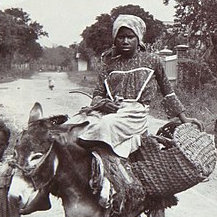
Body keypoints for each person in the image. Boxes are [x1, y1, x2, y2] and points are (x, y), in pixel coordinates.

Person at [77, 14, 201, 158]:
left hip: (135, 114)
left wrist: (184, 119)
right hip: (109, 111)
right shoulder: (108, 63)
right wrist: (103, 104)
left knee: (106, 124)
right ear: (115, 39)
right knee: (79, 123)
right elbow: (97, 94)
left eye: (130, 37)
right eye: (121, 37)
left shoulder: (152, 60)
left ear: (138, 39)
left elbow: (167, 91)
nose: (125, 41)